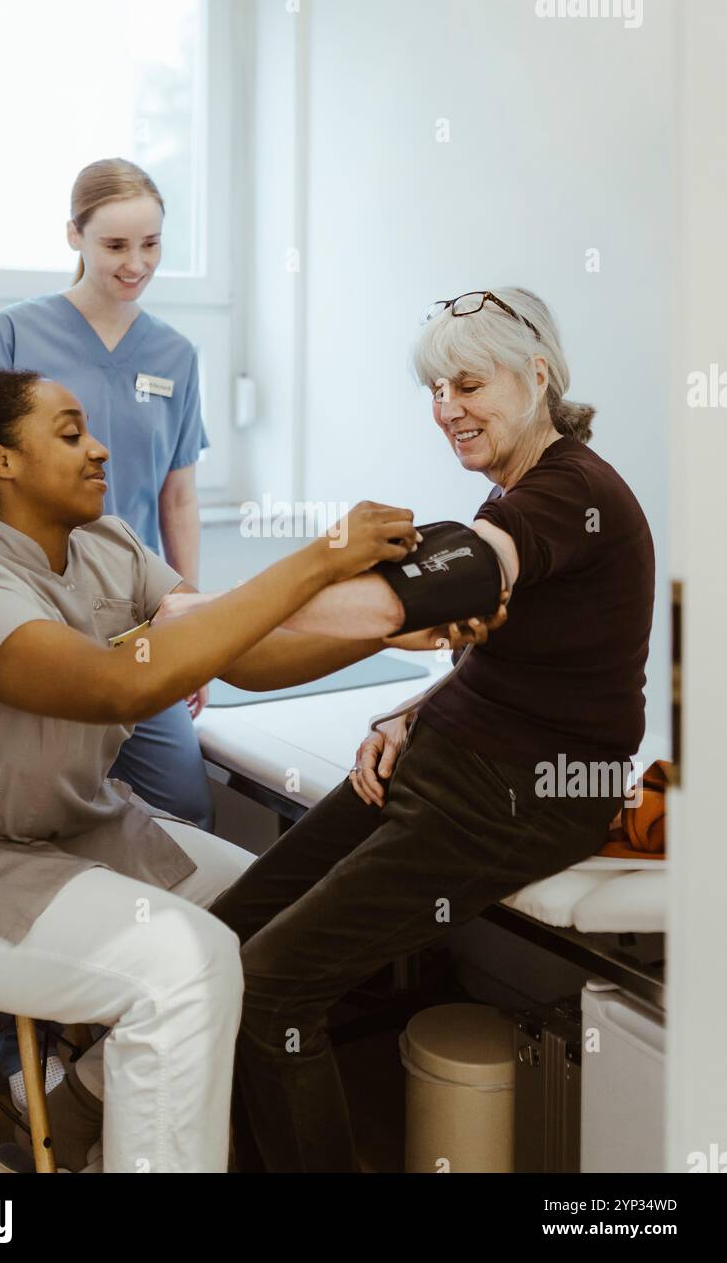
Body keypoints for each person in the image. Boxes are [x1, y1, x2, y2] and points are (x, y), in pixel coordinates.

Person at [0, 368, 429, 1171]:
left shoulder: (111, 546)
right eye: (68, 434)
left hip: (75, 833)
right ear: (2, 461)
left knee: (273, 913)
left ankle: (82, 1105)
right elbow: (119, 684)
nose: (98, 448)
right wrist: (323, 558)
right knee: (184, 963)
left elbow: (243, 652)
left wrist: (389, 626)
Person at [188, 287, 657, 1173]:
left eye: (468, 384)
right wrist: (413, 712)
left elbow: (460, 580)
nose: (448, 410)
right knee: (228, 934)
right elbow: (511, 659)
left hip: (522, 795)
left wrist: (212, 617)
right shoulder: (524, 490)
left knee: (273, 987)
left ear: (539, 376)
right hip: (449, 766)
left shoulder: (569, 495)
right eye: (436, 390)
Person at [0, 157, 214, 1100]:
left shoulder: (175, 355)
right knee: (21, 820)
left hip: (135, 614)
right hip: (31, 614)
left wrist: (196, 624)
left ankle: (122, 1032)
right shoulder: (19, 333)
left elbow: (178, 492)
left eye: (150, 245)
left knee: (180, 804)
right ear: (73, 237)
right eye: (114, 245)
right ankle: (16, 1045)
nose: (134, 263)